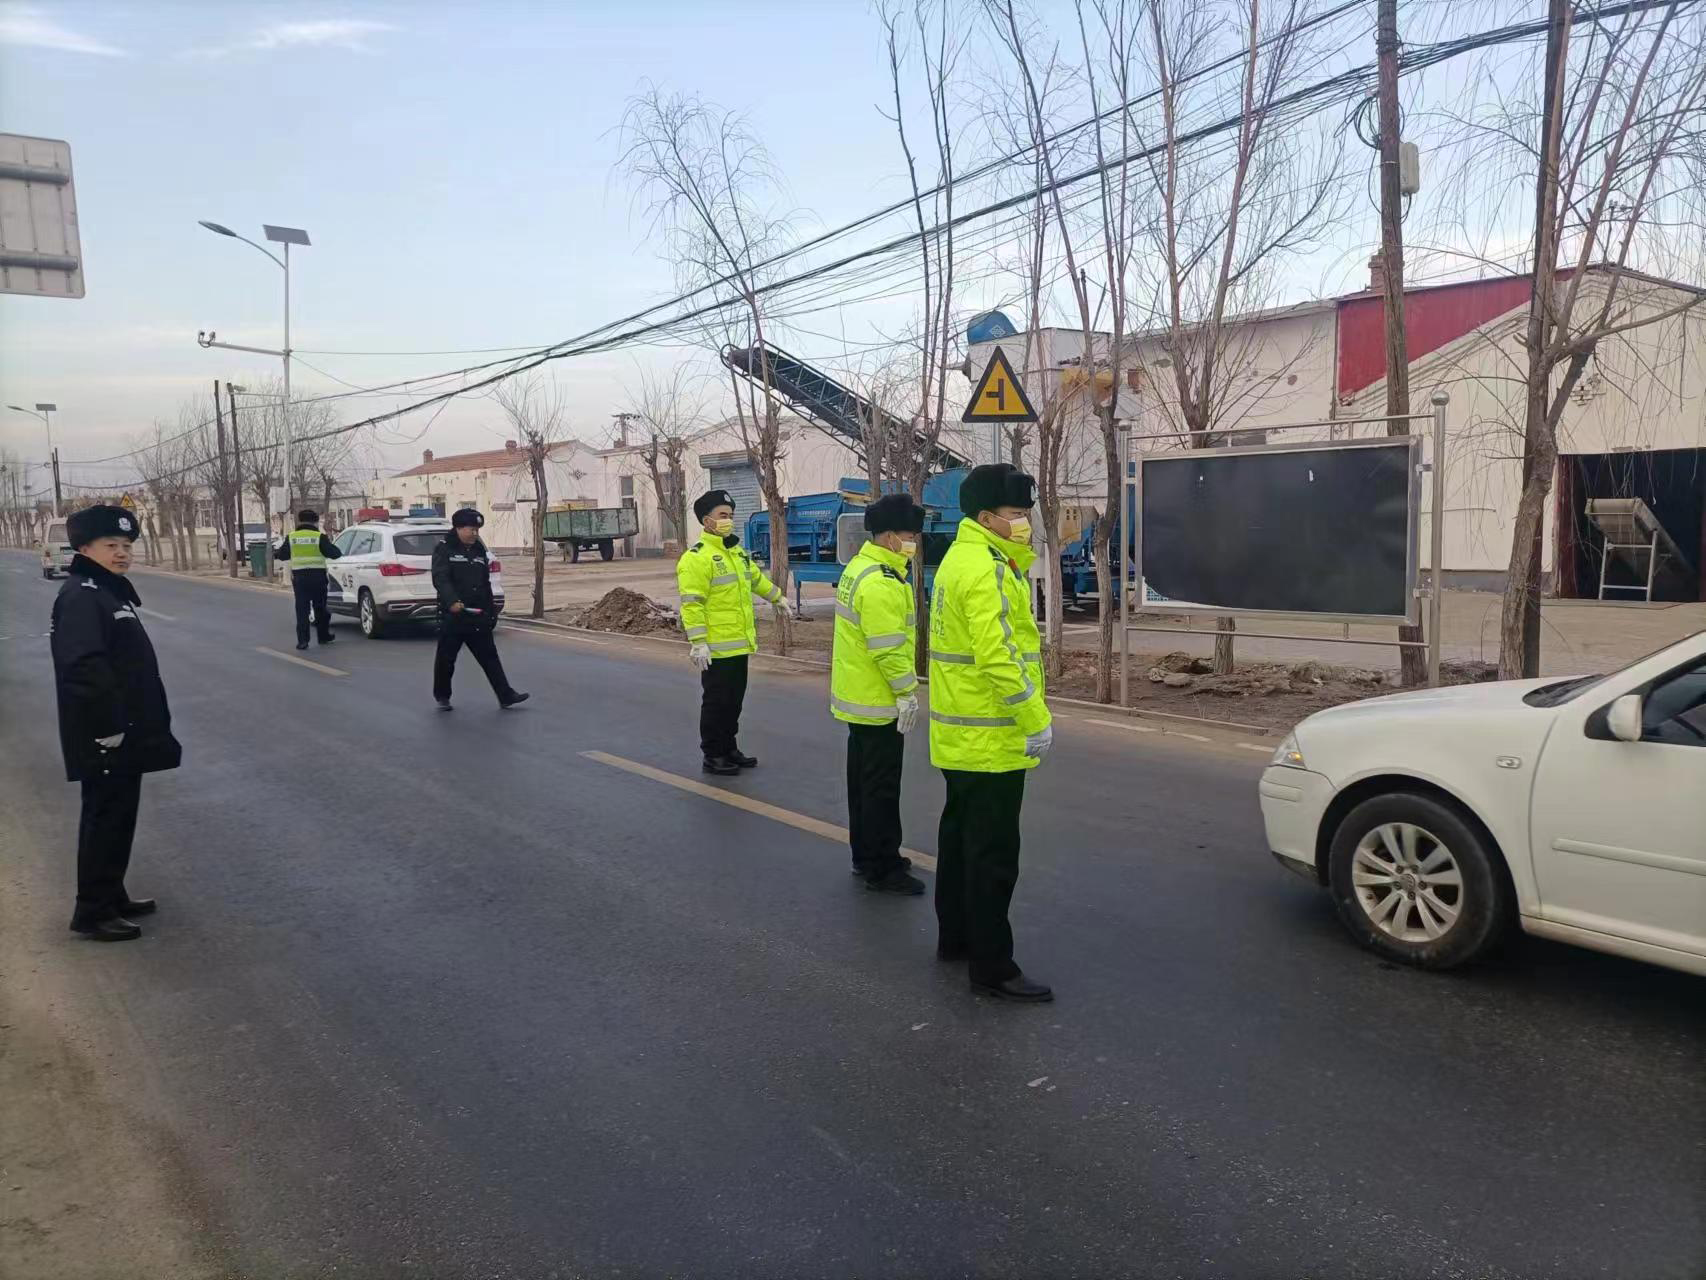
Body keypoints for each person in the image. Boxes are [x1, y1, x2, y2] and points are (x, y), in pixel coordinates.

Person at [928, 464, 1055, 1002]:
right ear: (986, 518)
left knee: (959, 840)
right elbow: (998, 656)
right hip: (991, 737)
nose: (1024, 523)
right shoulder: (988, 569)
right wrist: (1035, 718)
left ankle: (956, 938)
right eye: (1017, 514)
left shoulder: (960, 559)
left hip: (960, 733)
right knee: (993, 855)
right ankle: (993, 966)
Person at [50, 504, 182, 942]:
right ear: (84, 548)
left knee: (119, 815)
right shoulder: (82, 595)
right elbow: (82, 666)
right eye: (111, 545)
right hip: (106, 733)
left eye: (126, 545)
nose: (122, 553)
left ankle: (111, 894)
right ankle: (92, 912)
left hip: (124, 729)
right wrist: (107, 726)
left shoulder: (106, 591)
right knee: (105, 817)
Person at [831, 493, 927, 895]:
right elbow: (888, 649)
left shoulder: (860, 567)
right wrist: (906, 692)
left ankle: (865, 855)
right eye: (910, 535)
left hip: (860, 699)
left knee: (863, 785)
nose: (914, 542)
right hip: (878, 701)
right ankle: (883, 867)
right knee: (881, 789)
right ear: (890, 537)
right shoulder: (882, 583)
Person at [677, 489, 787, 775]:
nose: (728, 520)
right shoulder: (696, 558)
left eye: (730, 515)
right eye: (722, 515)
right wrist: (698, 642)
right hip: (715, 647)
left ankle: (729, 748)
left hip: (739, 643)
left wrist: (778, 597)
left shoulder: (735, 552)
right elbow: (692, 604)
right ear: (706, 521)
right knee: (717, 703)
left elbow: (755, 580)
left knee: (734, 702)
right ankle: (713, 754)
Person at [431, 508, 529, 710]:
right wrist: (452, 601)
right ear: (459, 528)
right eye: (471, 529)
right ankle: (442, 695)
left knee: (490, 657)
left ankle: (505, 695)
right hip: (454, 616)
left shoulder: (478, 550)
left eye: (477, 530)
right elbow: (441, 578)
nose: (475, 533)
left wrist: (491, 611)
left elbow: (485, 583)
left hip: (477, 614)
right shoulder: (445, 549)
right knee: (446, 659)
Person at [273, 508, 343, 650]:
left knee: (302, 609)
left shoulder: (292, 537)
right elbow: (335, 554)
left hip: (300, 579)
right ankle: (323, 636)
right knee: (320, 608)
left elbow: (282, 555)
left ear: (300, 521)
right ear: (315, 522)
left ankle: (303, 641)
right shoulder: (319, 537)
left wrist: (278, 552)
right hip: (318, 578)